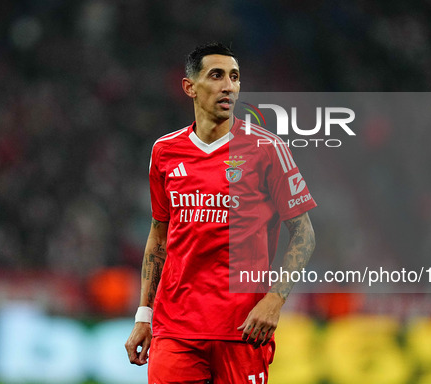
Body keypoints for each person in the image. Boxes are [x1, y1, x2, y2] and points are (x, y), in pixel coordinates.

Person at [125, 42, 316, 384]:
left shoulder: (267, 150)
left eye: (235, 77)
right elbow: (159, 236)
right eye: (217, 76)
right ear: (190, 87)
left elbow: (304, 234)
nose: (229, 86)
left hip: (242, 328)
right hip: (176, 329)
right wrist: (144, 315)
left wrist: (275, 300)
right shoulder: (165, 151)